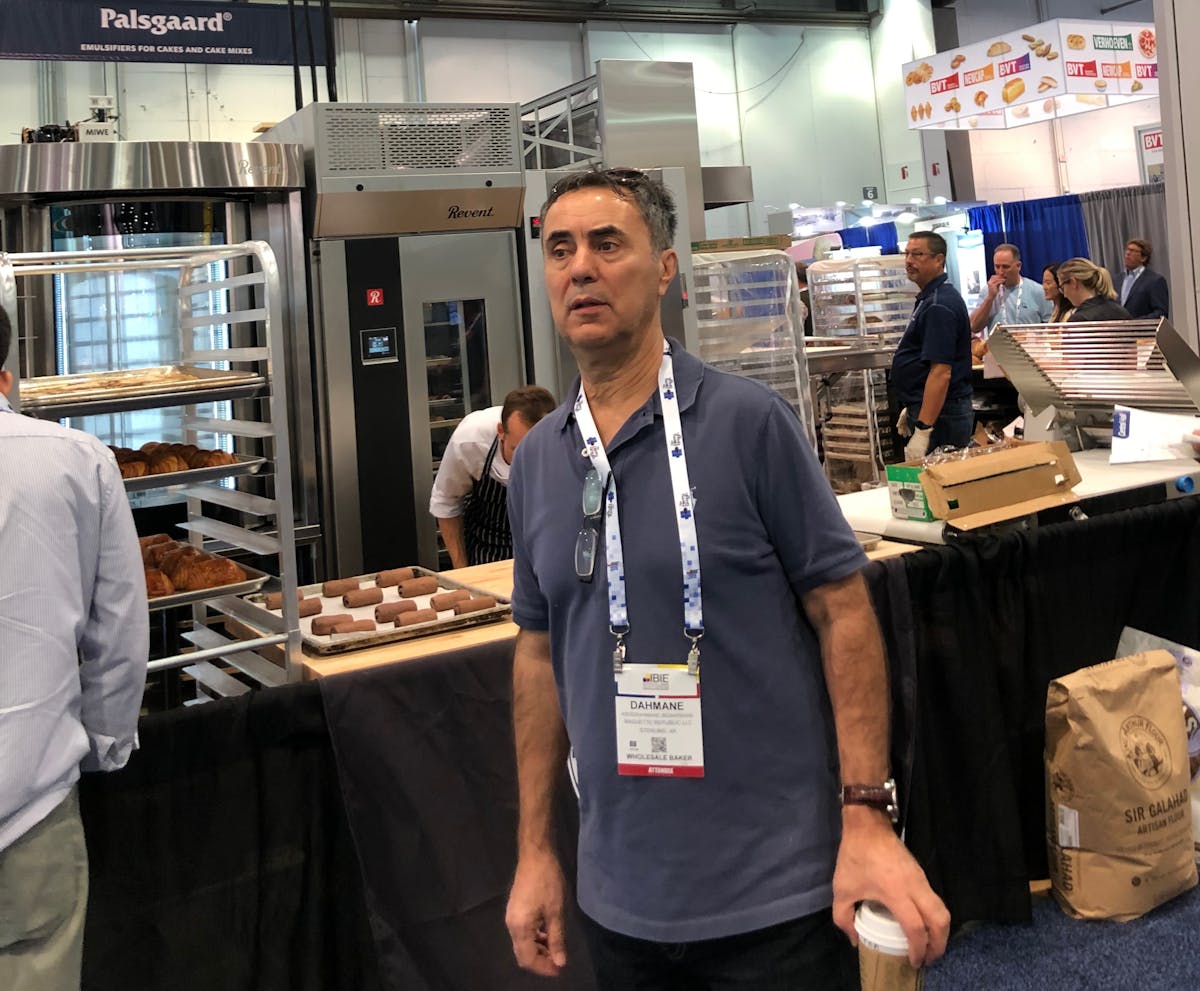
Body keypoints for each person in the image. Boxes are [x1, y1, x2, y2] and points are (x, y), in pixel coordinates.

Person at [503, 167, 949, 989]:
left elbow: (844, 612)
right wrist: (536, 849)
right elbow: (538, 656)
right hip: (620, 897)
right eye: (560, 249)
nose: (580, 268)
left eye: (608, 244)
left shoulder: (749, 425)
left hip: (775, 896)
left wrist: (868, 815)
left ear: (665, 269)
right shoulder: (536, 461)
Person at [0, 305, 149, 989]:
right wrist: (105, 743)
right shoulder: (76, 459)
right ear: (6, 378)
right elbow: (118, 628)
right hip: (31, 807)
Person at [428, 385, 556, 568]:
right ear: (501, 431)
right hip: (485, 546)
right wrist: (463, 573)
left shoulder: (567, 441)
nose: (527, 460)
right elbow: (446, 502)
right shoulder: (470, 442)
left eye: (537, 451)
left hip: (540, 545)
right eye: (517, 450)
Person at [891, 232, 974, 460]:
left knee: (941, 490)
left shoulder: (939, 305)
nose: (909, 260)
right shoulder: (930, 298)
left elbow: (941, 372)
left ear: (938, 260)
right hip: (932, 409)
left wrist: (924, 428)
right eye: (906, 253)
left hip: (943, 416)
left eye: (917, 254)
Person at [969, 243, 1053, 361]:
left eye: (1005, 267)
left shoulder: (1038, 291)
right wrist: (990, 298)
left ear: (1018, 266)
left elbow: (1051, 329)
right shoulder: (987, 291)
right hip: (997, 359)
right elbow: (974, 326)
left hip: (1031, 359)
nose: (1000, 272)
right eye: (997, 267)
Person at [1058, 257, 1133, 322]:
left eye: (1062, 288)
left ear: (1073, 283)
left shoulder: (1079, 319)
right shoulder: (1121, 311)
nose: (1065, 295)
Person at [1118, 238, 1169, 320]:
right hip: (1118, 330)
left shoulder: (1155, 281)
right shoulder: (1117, 279)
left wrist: (1134, 323)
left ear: (1143, 258)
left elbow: (1161, 313)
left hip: (1142, 330)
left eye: (1132, 251)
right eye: (1127, 250)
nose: (1127, 253)